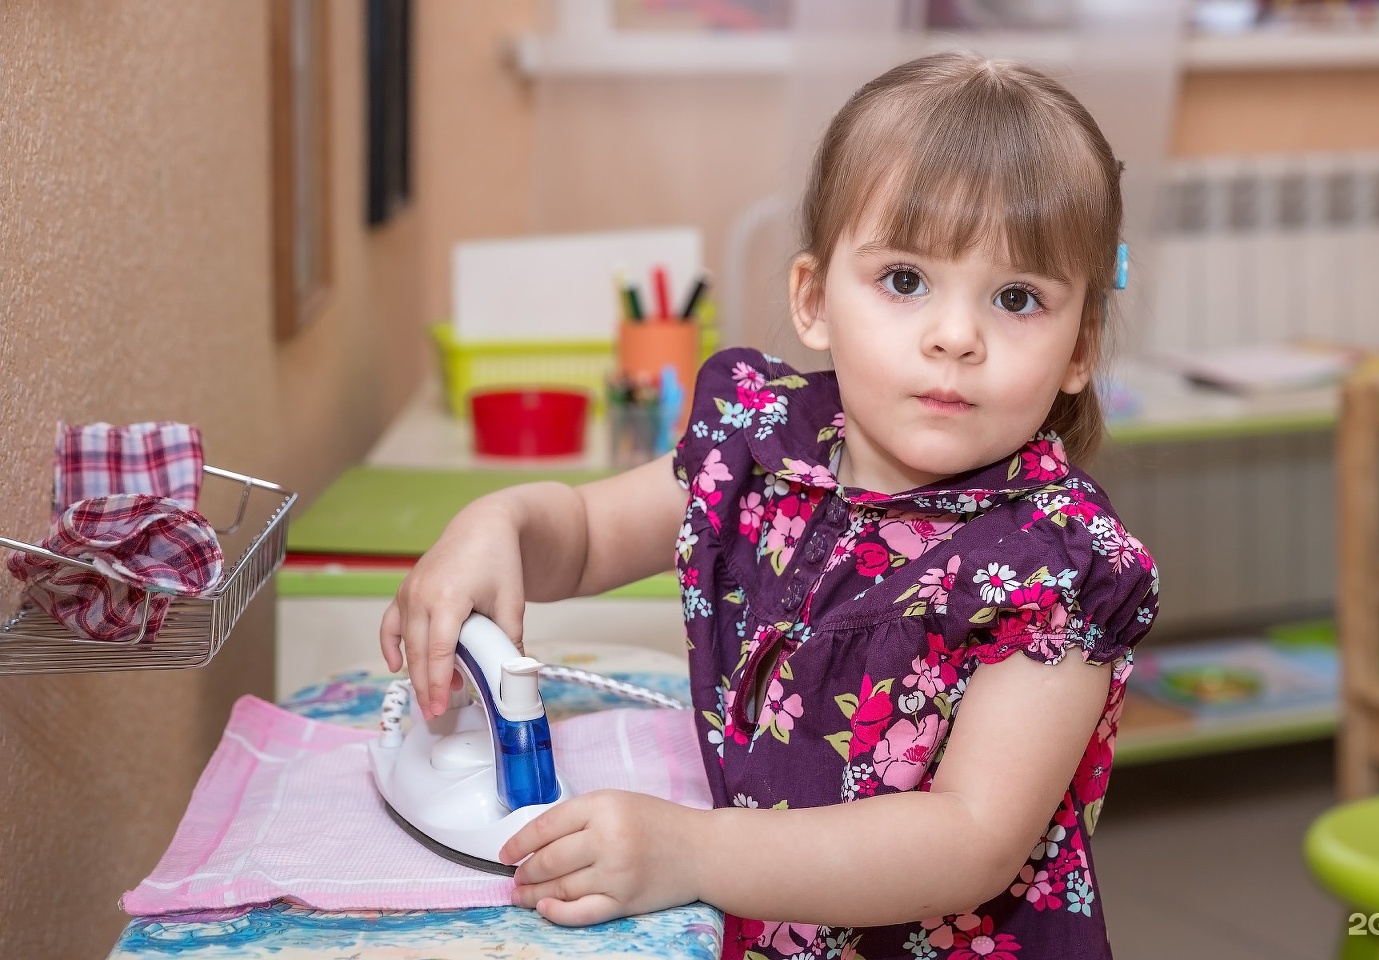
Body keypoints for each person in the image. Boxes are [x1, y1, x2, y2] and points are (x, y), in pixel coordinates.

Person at [380, 52, 1159, 960]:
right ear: (814, 299)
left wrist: (691, 851)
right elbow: (588, 537)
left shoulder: (1058, 568)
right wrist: (497, 526)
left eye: (1016, 298)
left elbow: (970, 841)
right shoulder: (761, 440)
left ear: (1079, 350)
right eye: (905, 280)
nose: (956, 337)